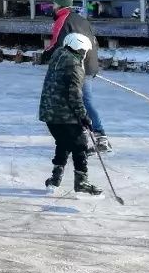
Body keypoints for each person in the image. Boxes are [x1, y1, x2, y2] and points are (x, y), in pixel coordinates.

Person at [41, 0, 109, 151]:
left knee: (78, 100)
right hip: (88, 63)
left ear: (59, 5)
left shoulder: (61, 19)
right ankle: (94, 135)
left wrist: (45, 55)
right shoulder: (82, 19)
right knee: (83, 100)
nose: (53, 6)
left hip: (76, 65)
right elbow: (95, 42)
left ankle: (94, 135)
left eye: (54, 4)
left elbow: (56, 43)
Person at [38, 32, 103, 198]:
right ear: (79, 49)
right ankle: (81, 181)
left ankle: (55, 178)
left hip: (49, 113)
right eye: (84, 52)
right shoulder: (74, 66)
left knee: (63, 143)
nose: (84, 55)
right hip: (63, 114)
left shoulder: (57, 57)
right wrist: (84, 116)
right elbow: (74, 95)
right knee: (80, 144)